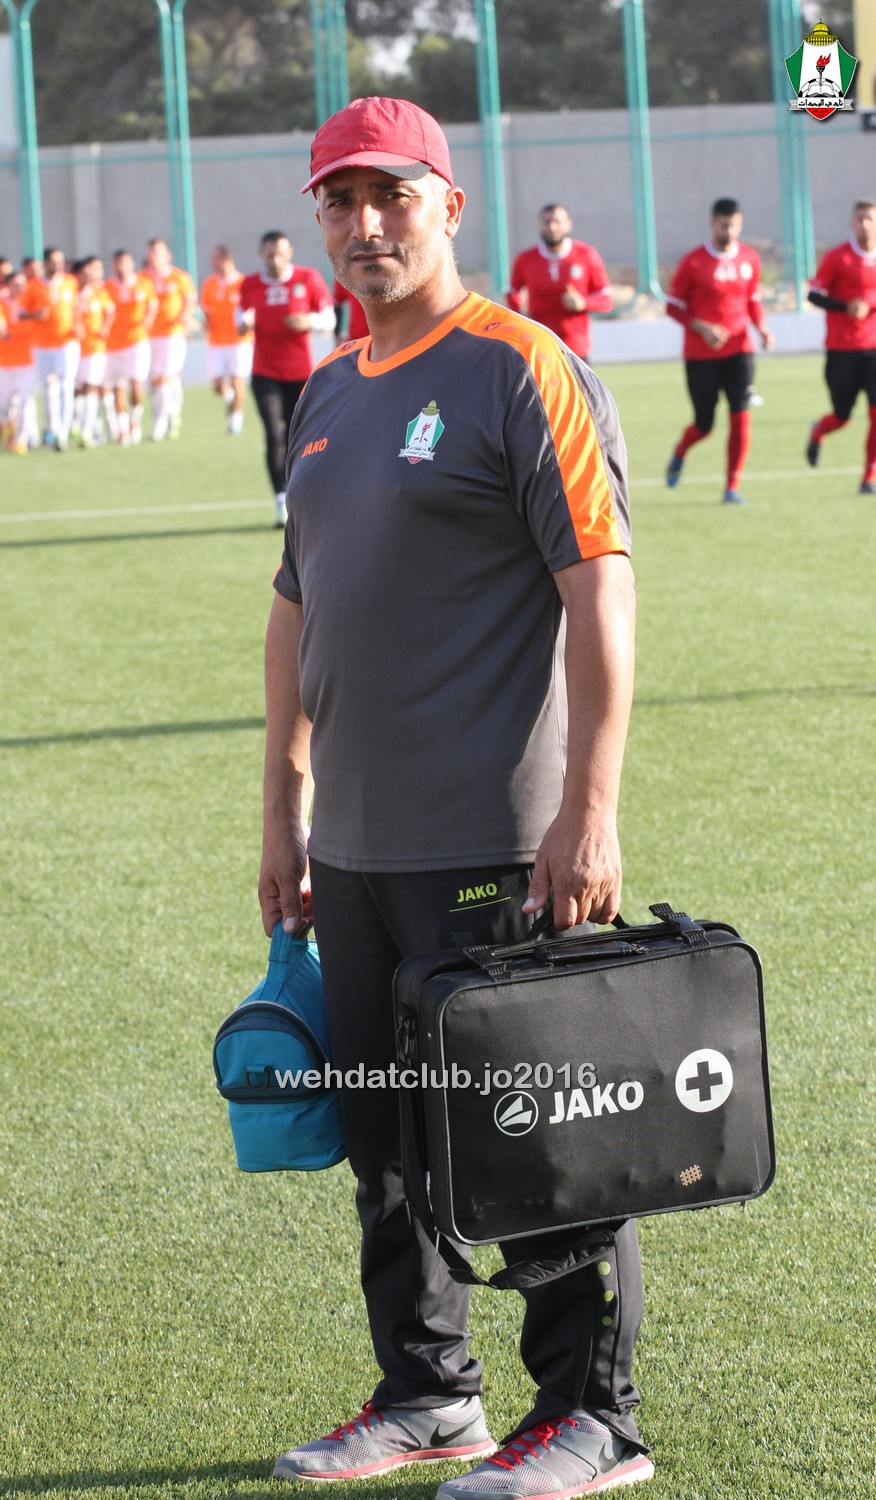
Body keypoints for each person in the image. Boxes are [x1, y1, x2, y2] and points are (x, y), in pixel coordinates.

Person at [258, 96, 650, 1499]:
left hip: (497, 838)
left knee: (535, 1138)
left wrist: (589, 811)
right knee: (385, 1145)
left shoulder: (521, 366)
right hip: (357, 846)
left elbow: (600, 591)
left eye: (392, 197)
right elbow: (296, 608)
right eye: (340, 199)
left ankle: (593, 1418)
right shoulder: (330, 389)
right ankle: (431, 1395)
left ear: (448, 207)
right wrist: (283, 808)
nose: (365, 224)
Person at [664, 197, 773, 505]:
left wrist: (762, 328)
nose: (729, 232)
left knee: (741, 416)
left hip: (740, 351)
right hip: (701, 356)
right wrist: (702, 327)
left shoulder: (749, 258)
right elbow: (672, 307)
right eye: (724, 226)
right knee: (704, 425)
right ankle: (681, 450)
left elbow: (752, 300)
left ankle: (732, 487)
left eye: (734, 226)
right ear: (713, 224)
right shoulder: (693, 262)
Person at [238, 231, 334, 526]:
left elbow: (329, 318)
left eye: (279, 252)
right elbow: (239, 318)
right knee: (273, 435)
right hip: (264, 373)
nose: (275, 258)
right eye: (269, 253)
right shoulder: (250, 284)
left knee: (300, 437)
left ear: (289, 252)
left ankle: (301, 494)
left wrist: (309, 321)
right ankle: (280, 500)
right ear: (261, 254)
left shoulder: (307, 278)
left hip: (300, 374)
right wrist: (243, 322)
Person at [805, 199, 876, 495]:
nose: (865, 225)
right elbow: (813, 295)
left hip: (873, 349)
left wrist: (869, 304)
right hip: (842, 350)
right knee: (842, 417)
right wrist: (845, 307)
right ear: (851, 222)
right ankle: (819, 430)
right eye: (860, 219)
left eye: (870, 219)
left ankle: (868, 478)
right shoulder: (838, 258)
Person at [506, 204, 612, 362]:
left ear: (568, 224)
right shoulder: (525, 259)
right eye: (547, 222)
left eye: (557, 222)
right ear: (540, 225)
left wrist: (583, 303)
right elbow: (512, 292)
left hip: (575, 349)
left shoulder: (586, 254)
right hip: (539, 346)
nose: (552, 227)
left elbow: (606, 300)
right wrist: (521, 314)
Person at [18, 247, 80, 450]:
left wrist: (79, 324)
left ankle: (62, 433)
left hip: (67, 342)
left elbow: (76, 307)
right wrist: (35, 315)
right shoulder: (34, 285)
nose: (58, 265)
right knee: (48, 388)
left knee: (66, 386)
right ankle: (52, 427)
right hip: (42, 344)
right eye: (54, 261)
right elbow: (20, 313)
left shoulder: (70, 282)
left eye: (60, 261)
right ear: (45, 263)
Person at [144, 238, 197, 441]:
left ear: (168, 256)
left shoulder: (179, 277)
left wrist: (185, 317)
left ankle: (159, 424)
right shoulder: (143, 278)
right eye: (150, 252)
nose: (153, 257)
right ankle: (174, 409)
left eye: (157, 252)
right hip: (149, 336)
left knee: (163, 378)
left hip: (173, 334)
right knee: (157, 380)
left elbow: (190, 301)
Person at [199, 244, 254, 435]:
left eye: (216, 259)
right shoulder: (209, 284)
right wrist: (204, 322)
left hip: (239, 342)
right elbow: (205, 311)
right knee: (217, 386)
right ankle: (231, 399)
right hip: (216, 342)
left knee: (237, 381)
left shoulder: (243, 283)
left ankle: (235, 420)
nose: (213, 263)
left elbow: (250, 312)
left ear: (227, 260)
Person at [105, 249, 157, 445]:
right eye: (118, 262)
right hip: (114, 344)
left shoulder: (143, 284)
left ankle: (135, 419)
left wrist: (147, 322)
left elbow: (153, 306)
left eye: (125, 262)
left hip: (137, 342)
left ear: (132, 264)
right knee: (118, 387)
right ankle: (123, 428)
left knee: (136, 385)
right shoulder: (107, 287)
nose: (121, 266)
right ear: (113, 265)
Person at [73, 256, 114, 447]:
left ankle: (87, 431)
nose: (88, 277)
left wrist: (105, 328)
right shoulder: (71, 295)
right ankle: (83, 425)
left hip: (95, 348)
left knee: (91, 387)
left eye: (91, 273)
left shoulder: (99, 293)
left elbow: (110, 312)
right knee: (78, 390)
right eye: (84, 274)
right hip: (73, 349)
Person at [0, 269, 38, 453]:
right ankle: (8, 436)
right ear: (8, 286)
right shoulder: (1, 303)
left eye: (23, 285)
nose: (21, 288)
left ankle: (23, 439)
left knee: (26, 401)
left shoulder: (30, 304)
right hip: (4, 363)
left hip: (27, 362)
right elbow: (3, 331)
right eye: (16, 285)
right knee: (3, 405)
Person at [333, 276, 369, 342]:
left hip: (384, 339)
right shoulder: (345, 274)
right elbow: (337, 303)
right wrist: (337, 333)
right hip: (357, 339)